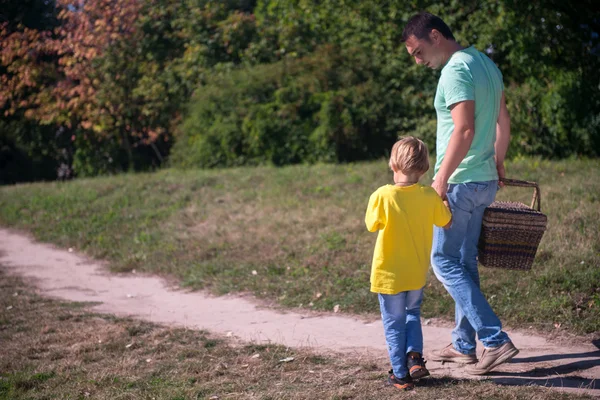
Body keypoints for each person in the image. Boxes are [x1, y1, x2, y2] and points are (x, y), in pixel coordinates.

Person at [401, 12, 518, 375]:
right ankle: (465, 346)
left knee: (443, 261)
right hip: (482, 181)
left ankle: (495, 340)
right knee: (464, 263)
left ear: (435, 36)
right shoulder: (485, 63)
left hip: (460, 183)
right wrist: (498, 163)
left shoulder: (454, 70)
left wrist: (440, 180)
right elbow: (503, 122)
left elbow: (464, 130)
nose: (419, 62)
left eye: (418, 52)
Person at [365, 136, 452, 391]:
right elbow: (446, 221)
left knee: (394, 323)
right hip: (415, 274)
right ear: (424, 168)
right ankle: (414, 357)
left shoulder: (382, 195)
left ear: (393, 164)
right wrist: (444, 203)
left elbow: (372, 225)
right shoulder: (428, 195)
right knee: (412, 314)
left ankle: (401, 375)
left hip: (388, 275)